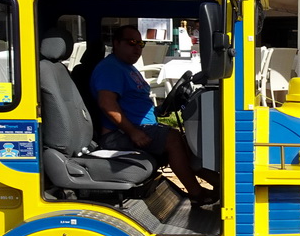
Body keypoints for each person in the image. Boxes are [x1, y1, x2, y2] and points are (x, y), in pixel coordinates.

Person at [91, 25, 218, 208]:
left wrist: (160, 111)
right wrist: (133, 132)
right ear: (116, 43)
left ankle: (222, 186)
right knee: (173, 139)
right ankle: (197, 194)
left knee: (186, 139)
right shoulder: (110, 68)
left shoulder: (127, 67)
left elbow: (135, 103)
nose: (138, 47)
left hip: (137, 128)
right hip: (118, 135)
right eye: (132, 42)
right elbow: (107, 103)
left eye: (141, 43)